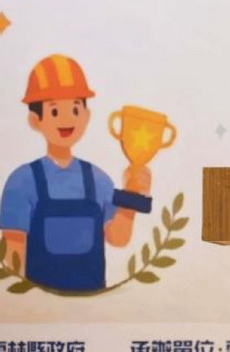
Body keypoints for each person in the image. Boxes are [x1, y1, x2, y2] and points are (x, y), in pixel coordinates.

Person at [0, 54, 152, 292]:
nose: (66, 119)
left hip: (92, 301)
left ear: (86, 116)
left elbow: (118, 238)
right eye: (54, 111)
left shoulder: (99, 180)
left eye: (74, 109)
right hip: (40, 305)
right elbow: (12, 255)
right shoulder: (22, 182)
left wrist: (132, 195)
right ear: (35, 120)